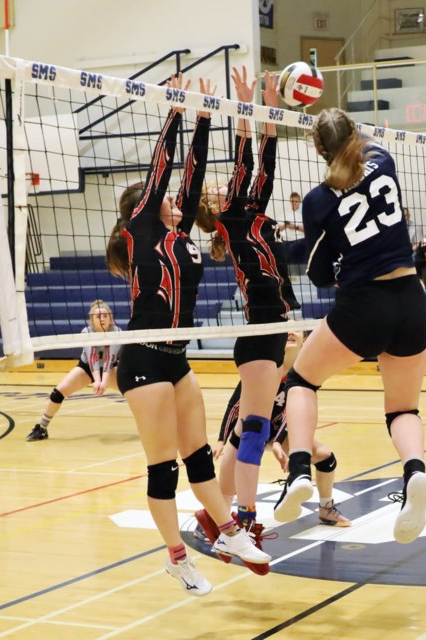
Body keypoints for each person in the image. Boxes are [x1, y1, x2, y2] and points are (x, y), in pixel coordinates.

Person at [105, 73, 269, 594]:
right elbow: (165, 167)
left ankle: (229, 533)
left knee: (198, 456)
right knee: (163, 470)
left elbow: (192, 174)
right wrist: (176, 110)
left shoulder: (179, 235)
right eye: (166, 197)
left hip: (175, 358)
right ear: (143, 206)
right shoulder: (142, 230)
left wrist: (204, 116)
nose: (178, 200)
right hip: (142, 359)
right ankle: (177, 556)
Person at [272, 107, 426, 545]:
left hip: (363, 303)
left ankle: (300, 470)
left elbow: (320, 274)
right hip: (410, 299)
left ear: (318, 149)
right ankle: (415, 471)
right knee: (403, 408)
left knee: (302, 379)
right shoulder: (384, 158)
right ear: (356, 134)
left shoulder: (318, 200)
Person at [195, 67, 300, 548]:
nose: (222, 187)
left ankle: (211, 515)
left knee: (244, 433)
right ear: (215, 209)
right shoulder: (233, 221)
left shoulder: (252, 213)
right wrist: (243, 105)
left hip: (274, 329)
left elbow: (267, 161)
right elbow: (244, 158)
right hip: (260, 332)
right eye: (216, 191)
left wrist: (269, 106)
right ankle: (244, 515)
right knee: (255, 428)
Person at [193, 331, 352, 558]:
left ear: (305, 340)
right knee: (235, 458)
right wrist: (221, 438)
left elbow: (293, 416)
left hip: (281, 432)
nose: (290, 333)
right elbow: (235, 406)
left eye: (296, 329)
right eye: (285, 329)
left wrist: (278, 443)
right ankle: (213, 519)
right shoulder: (264, 365)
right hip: (252, 428)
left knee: (326, 457)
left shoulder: (303, 372)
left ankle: (326, 509)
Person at [25, 300, 122, 442]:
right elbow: (92, 359)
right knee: (58, 392)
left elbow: (110, 359)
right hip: (87, 367)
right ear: (92, 320)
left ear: (110, 318)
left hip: (110, 368)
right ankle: (42, 428)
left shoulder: (117, 332)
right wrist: (97, 380)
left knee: (135, 392)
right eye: (98, 316)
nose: (102, 319)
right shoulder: (87, 332)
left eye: (105, 316)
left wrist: (103, 381)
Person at [276, 191, 306, 265]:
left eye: (296, 201)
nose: (294, 203)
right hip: (285, 243)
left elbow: (308, 229)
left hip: (300, 242)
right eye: (292, 201)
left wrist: (294, 227)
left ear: (299, 202)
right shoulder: (285, 215)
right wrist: (286, 225)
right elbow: (277, 228)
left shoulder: (303, 214)